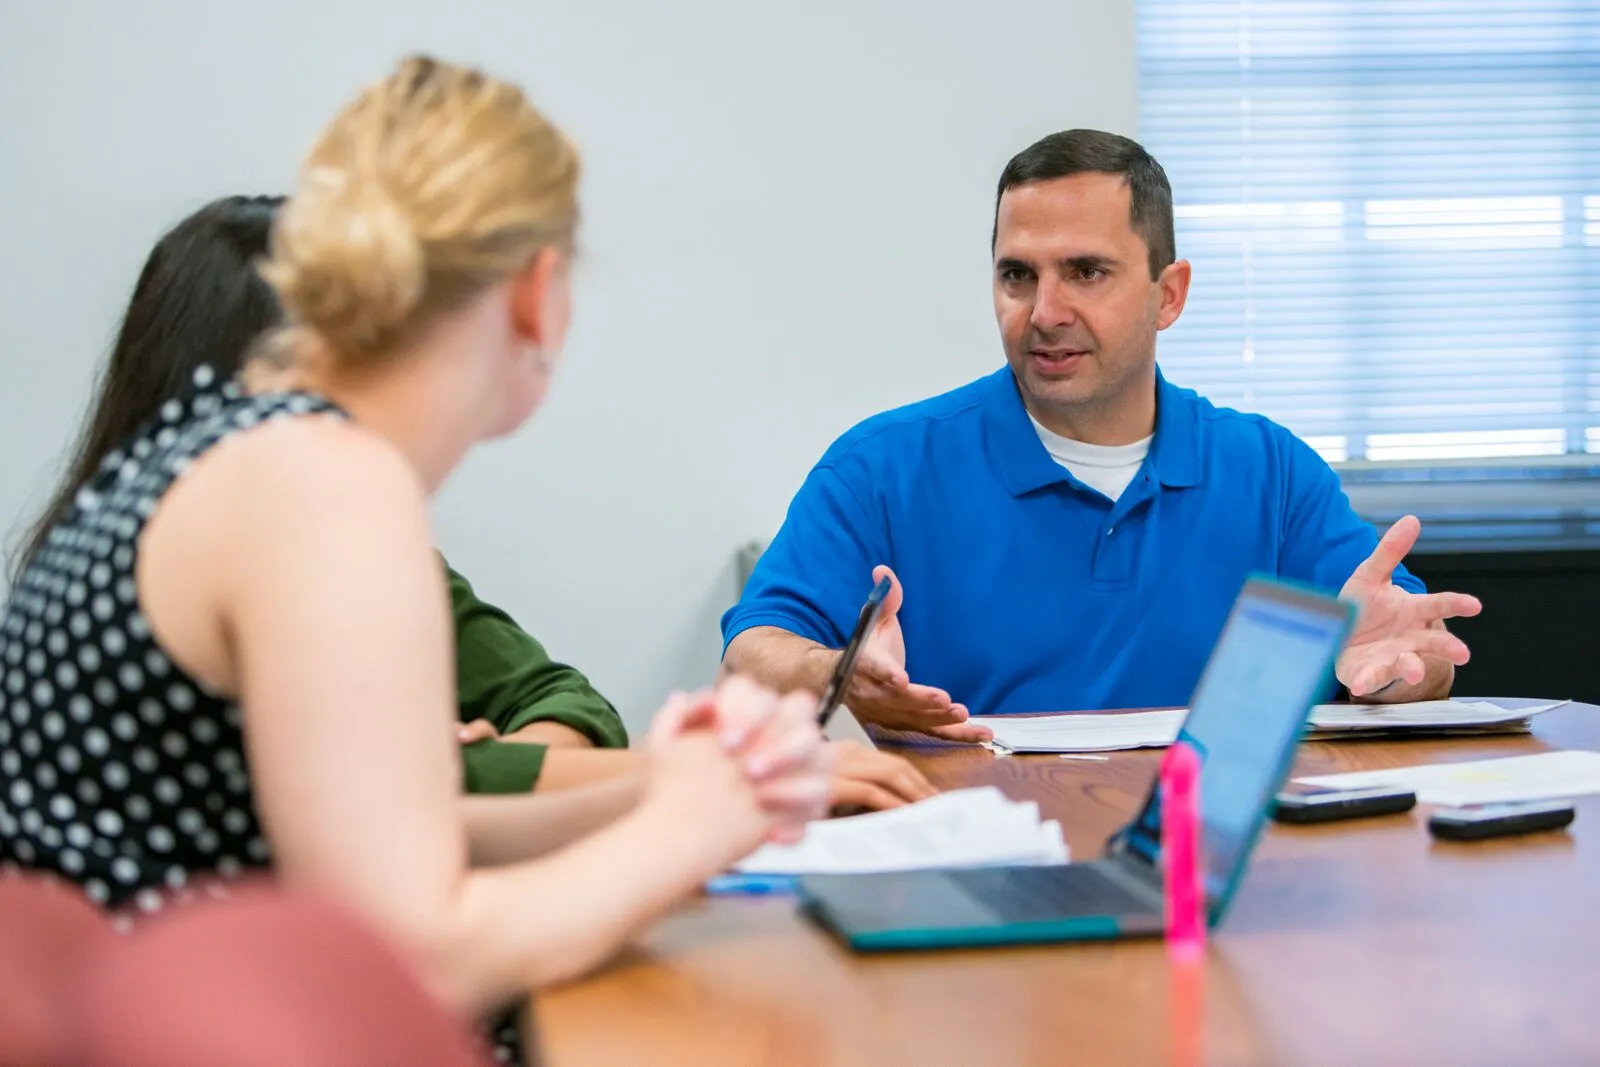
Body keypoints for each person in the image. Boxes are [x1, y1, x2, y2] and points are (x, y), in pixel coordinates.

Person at [0, 54, 831, 1062]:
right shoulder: (330, 486)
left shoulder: (220, 449)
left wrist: (672, 785)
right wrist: (697, 821)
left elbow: (405, 838)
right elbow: (414, 950)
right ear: (536, 293)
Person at [9, 194, 934, 809]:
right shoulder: (196, 558)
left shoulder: (336, 544)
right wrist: (703, 784)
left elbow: (561, 702)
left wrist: (489, 764)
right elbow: (401, 810)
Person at [722, 129, 1483, 742]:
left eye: (1086, 272)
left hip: (1208, 865)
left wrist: (1391, 671)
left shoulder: (1269, 471)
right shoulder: (884, 467)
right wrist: (841, 672)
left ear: (1169, 294)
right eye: (1018, 275)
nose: (1045, 311)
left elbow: (1404, 647)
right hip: (975, 858)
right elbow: (753, 653)